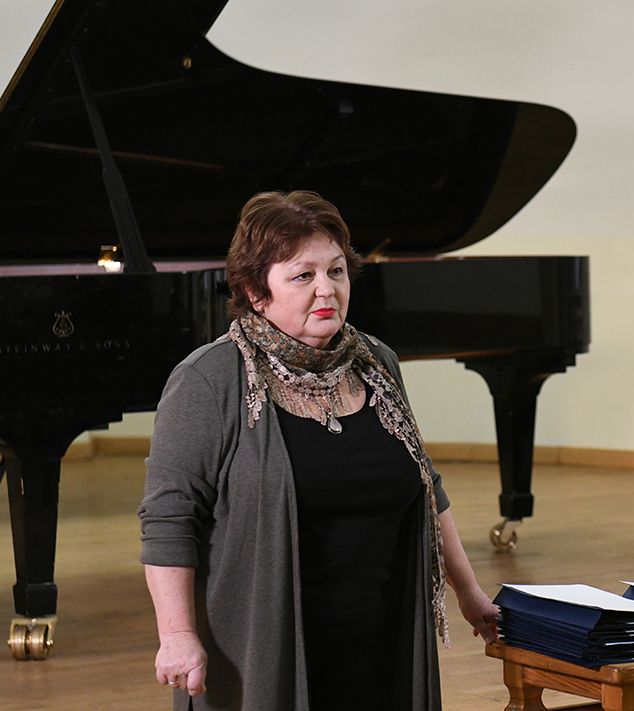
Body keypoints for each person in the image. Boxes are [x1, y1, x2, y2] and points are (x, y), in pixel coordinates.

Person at [138, 190, 499, 711]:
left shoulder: (376, 362)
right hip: (265, 647)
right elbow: (170, 518)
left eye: (336, 271)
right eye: (302, 276)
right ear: (255, 291)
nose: (326, 289)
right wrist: (176, 635)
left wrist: (470, 594)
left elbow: (427, 485)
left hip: (380, 639)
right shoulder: (208, 379)